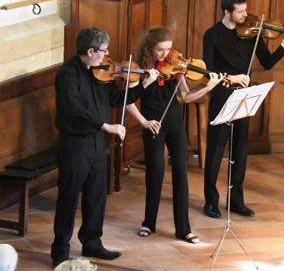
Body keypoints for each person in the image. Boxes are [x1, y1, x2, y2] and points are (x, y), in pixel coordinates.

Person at [51, 27, 158, 266]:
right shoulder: (68, 75)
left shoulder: (101, 73)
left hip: (97, 144)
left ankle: (92, 243)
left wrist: (143, 86)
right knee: (68, 197)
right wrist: (105, 125)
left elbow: (117, 100)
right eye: (103, 51)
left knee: (96, 196)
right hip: (74, 144)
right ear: (90, 51)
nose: (107, 55)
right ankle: (60, 250)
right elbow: (73, 110)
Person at [202, 0, 284, 218]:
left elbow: (267, 62)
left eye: (246, 9)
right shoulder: (212, 34)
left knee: (240, 150)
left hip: (244, 95)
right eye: (241, 11)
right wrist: (231, 77)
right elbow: (207, 69)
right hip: (222, 95)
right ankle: (211, 202)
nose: (246, 14)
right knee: (215, 151)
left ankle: (236, 201)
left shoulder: (251, 33)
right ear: (227, 12)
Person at [126, 26, 222, 243]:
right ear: (150, 48)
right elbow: (128, 101)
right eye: (160, 50)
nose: (165, 55)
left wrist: (209, 87)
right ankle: (148, 223)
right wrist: (143, 120)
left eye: (168, 49)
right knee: (156, 173)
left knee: (181, 174)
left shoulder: (175, 68)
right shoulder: (139, 69)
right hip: (153, 126)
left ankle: (184, 229)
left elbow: (186, 97)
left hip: (176, 125)